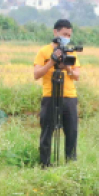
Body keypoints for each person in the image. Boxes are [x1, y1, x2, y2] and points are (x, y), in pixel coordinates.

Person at [34, 19, 81, 167]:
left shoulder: (71, 52)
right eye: (64, 34)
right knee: (47, 130)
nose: (67, 37)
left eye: (69, 35)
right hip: (50, 96)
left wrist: (67, 67)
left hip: (69, 96)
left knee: (72, 131)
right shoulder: (44, 51)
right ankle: (45, 164)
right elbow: (36, 74)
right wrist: (52, 62)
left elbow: (77, 76)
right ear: (56, 32)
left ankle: (70, 164)